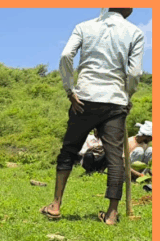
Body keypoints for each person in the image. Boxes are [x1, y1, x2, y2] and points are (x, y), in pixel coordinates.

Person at [41, 8, 144, 225]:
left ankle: (56, 205)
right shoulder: (135, 32)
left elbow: (65, 56)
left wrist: (70, 90)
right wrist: (127, 95)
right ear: (128, 10)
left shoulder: (84, 27)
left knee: (69, 150)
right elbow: (134, 73)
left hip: (84, 98)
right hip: (115, 100)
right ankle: (112, 215)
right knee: (116, 157)